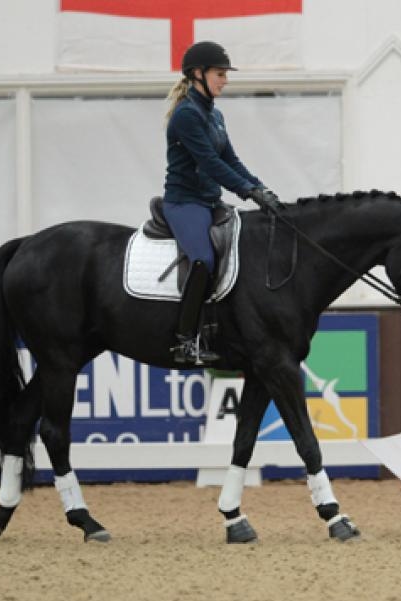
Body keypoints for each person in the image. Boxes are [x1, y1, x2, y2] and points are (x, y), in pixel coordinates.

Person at [162, 41, 283, 364]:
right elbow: (209, 164)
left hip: (210, 201)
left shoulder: (214, 115)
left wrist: (260, 188)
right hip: (184, 203)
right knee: (202, 258)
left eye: (225, 74)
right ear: (198, 74)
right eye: (219, 74)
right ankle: (185, 339)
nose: (225, 80)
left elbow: (230, 159)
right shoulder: (186, 115)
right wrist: (247, 192)